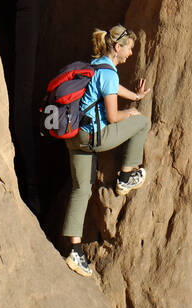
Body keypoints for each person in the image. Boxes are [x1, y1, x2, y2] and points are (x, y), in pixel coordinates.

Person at [63, 24, 150, 277]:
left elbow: (110, 88)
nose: (130, 54)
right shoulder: (109, 73)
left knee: (81, 189)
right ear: (117, 47)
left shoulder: (97, 65)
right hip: (94, 137)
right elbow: (112, 117)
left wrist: (134, 96)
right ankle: (126, 176)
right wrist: (131, 111)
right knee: (141, 122)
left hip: (74, 135)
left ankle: (75, 251)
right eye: (129, 48)